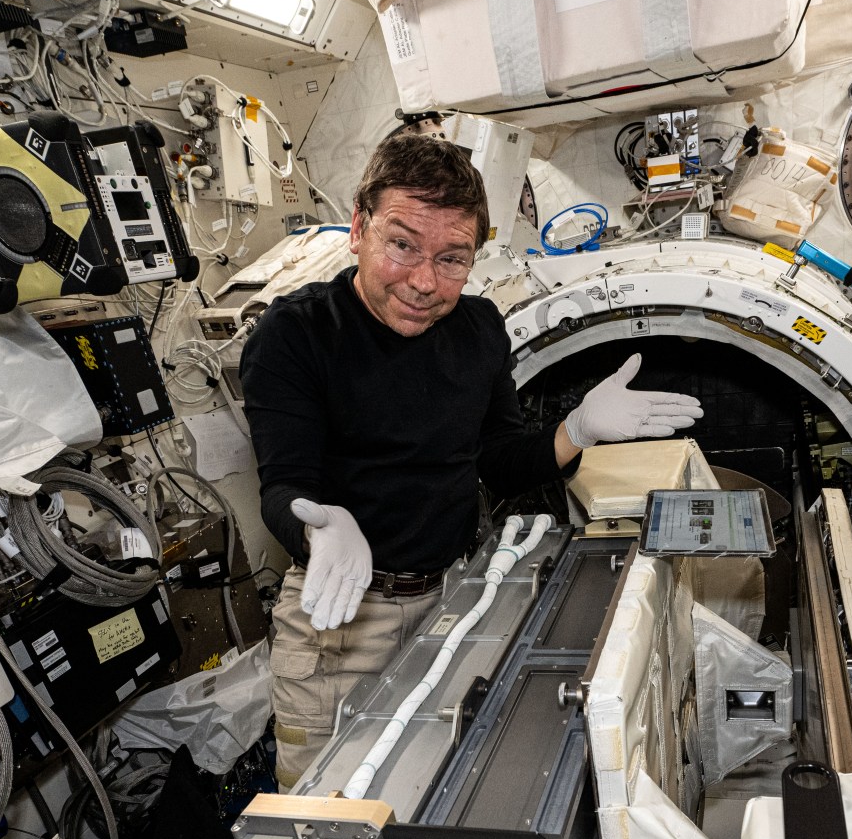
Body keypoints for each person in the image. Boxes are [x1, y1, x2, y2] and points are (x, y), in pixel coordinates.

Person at [242, 133, 703, 788]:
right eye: (402, 245)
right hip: (338, 625)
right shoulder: (295, 334)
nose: (426, 282)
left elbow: (502, 460)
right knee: (328, 823)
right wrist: (316, 526)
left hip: (449, 600)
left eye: (453, 258)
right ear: (358, 228)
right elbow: (284, 483)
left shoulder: (479, 328)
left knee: (434, 788)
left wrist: (576, 428)